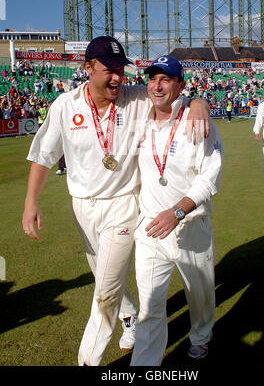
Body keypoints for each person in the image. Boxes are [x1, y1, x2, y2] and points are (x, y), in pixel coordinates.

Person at [21, 36, 210, 367]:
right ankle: (131, 317)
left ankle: (88, 360)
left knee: (105, 290)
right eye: (109, 70)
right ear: (88, 68)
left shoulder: (135, 98)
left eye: (121, 70)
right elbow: (43, 156)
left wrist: (199, 103)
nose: (117, 79)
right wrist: (30, 202)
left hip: (123, 204)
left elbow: (173, 95)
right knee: (103, 278)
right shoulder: (65, 106)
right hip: (83, 206)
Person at [130, 55, 224, 366]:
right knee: (150, 305)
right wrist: (200, 98)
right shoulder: (138, 116)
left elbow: (211, 176)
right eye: (152, 78)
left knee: (199, 297)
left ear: (180, 85)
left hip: (190, 226)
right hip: (151, 229)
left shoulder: (196, 120)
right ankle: (145, 364)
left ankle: (201, 336)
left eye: (166, 79)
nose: (157, 86)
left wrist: (178, 212)